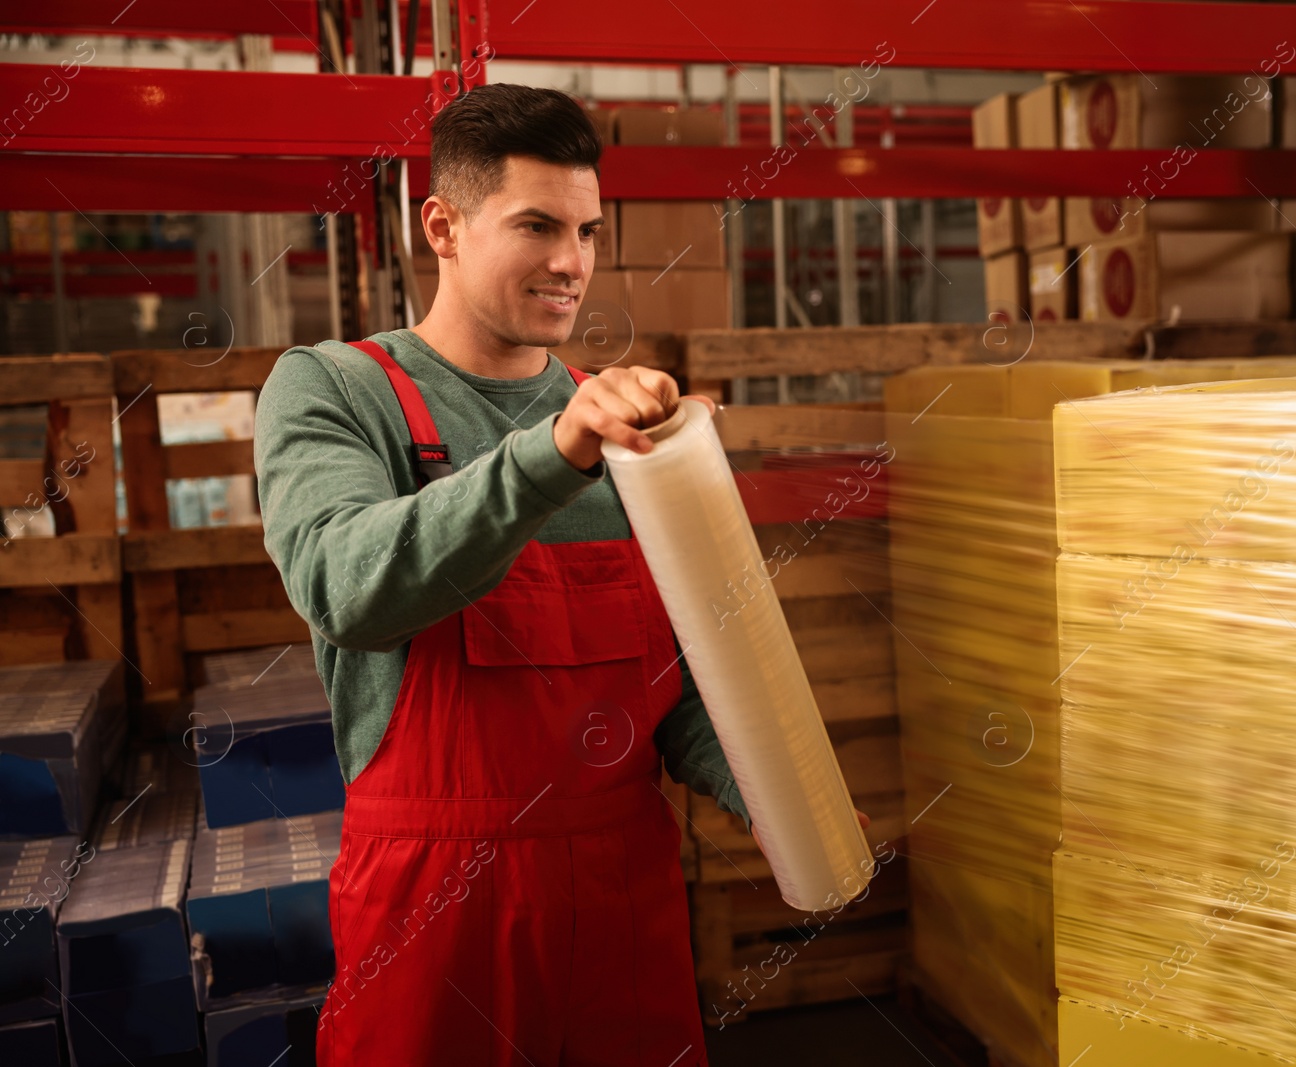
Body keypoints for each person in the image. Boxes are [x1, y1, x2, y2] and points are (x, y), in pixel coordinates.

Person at [255, 83, 865, 1065]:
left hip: (622, 894)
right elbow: (347, 586)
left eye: (587, 229)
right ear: (442, 226)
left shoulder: (618, 427)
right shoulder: (336, 388)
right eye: (537, 224)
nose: (572, 261)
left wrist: (776, 796)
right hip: (437, 909)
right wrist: (551, 453)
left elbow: (677, 680)